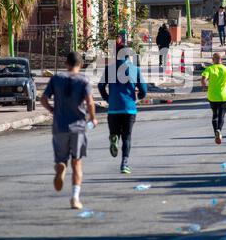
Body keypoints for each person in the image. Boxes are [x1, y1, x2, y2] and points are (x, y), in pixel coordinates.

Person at [41, 51, 97, 210]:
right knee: (77, 162)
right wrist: (92, 118)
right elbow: (90, 103)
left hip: (60, 126)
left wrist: (52, 110)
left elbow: (43, 99)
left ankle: (60, 167)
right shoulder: (84, 80)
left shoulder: (56, 79)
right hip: (78, 126)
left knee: (61, 159)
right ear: (81, 65)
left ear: (66, 63)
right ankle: (75, 198)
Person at [98, 45, 147, 174]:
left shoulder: (109, 69)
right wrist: (139, 96)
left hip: (113, 108)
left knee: (115, 133)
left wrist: (107, 98)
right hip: (129, 109)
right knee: (127, 137)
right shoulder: (135, 70)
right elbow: (144, 90)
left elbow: (101, 86)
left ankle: (114, 137)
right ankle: (124, 163)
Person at [201, 52, 226, 145]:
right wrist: (224, 83)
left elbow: (203, 79)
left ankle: (216, 131)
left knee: (214, 114)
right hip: (223, 96)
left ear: (213, 60)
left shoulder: (209, 69)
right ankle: (219, 130)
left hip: (212, 96)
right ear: (221, 60)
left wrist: (205, 86)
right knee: (221, 115)